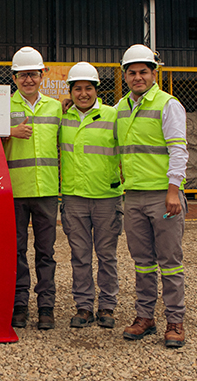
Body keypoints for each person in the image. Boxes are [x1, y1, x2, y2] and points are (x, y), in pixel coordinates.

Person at [116, 44, 188, 348]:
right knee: (142, 262)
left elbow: (178, 150)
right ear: (125, 76)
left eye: (143, 71)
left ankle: (175, 321)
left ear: (154, 73)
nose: (138, 77)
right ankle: (145, 317)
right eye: (132, 72)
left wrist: (174, 190)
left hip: (162, 196)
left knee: (170, 261)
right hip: (134, 196)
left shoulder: (168, 104)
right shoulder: (121, 107)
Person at [59, 62, 123, 329]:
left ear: (97, 90)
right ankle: (84, 306)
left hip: (106, 197)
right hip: (74, 197)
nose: (83, 94)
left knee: (107, 255)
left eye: (88, 88)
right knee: (80, 255)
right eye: (77, 89)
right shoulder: (62, 117)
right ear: (70, 92)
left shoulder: (113, 116)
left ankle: (107, 305)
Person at [4, 47, 62, 330]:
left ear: (42, 75)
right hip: (14, 191)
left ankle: (46, 306)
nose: (28, 79)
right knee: (16, 252)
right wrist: (9, 131)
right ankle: (19, 304)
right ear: (14, 77)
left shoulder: (56, 107)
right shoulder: (3, 106)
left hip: (47, 191)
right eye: (23, 75)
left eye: (33, 74)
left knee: (45, 252)